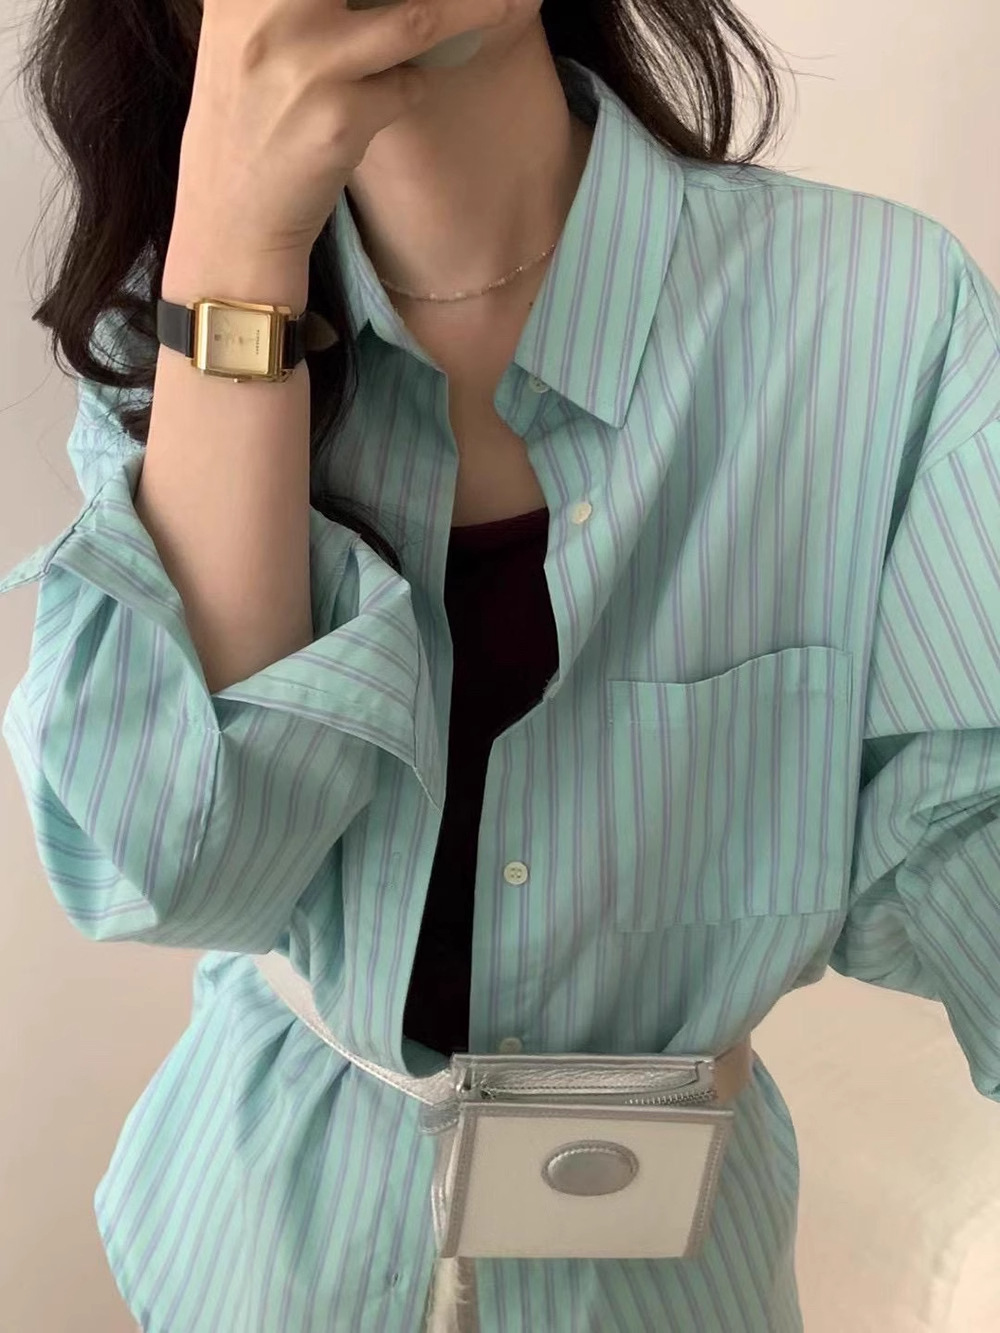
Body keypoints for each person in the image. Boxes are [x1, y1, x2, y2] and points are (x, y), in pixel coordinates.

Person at [2, 0, 999, 1329]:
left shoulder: (881, 317)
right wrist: (236, 249)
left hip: (661, 1280)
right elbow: (178, 869)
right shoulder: (170, 332)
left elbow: (965, 834)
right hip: (262, 1253)